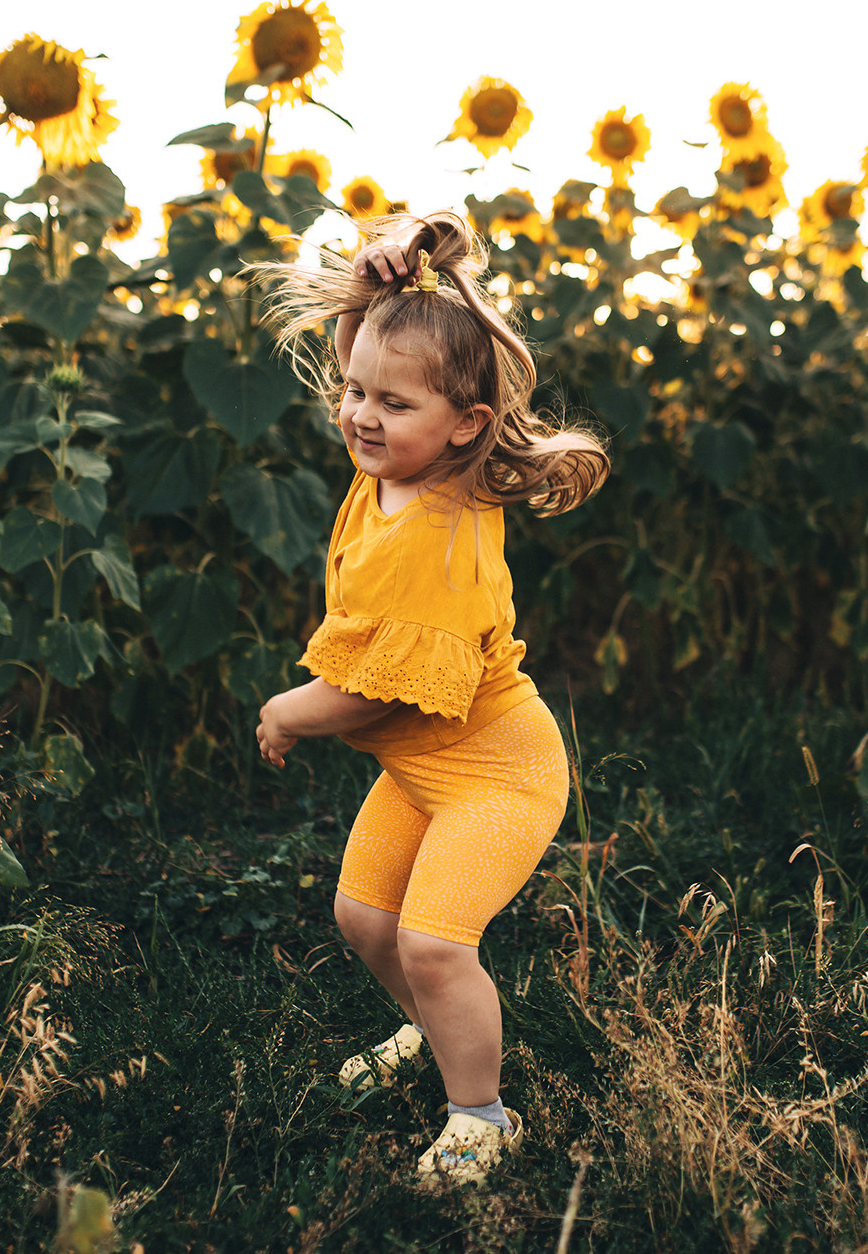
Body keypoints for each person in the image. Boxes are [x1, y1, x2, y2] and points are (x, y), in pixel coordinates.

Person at [251, 210, 609, 1190]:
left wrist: (288, 711)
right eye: (354, 392)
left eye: (390, 404)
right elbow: (371, 363)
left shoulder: (435, 538)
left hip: (498, 774)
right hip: (424, 770)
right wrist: (373, 294)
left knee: (433, 941)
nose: (361, 415)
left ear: (467, 426)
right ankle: (428, 1032)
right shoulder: (401, 460)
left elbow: (368, 702)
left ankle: (480, 1116)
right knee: (363, 920)